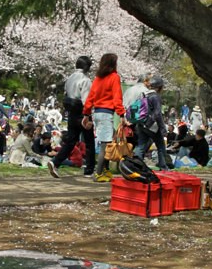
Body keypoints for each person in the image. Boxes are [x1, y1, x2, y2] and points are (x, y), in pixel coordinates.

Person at [47, 55, 96, 178]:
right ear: (87, 67)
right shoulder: (85, 80)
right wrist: (88, 116)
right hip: (82, 112)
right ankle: (89, 170)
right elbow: (86, 101)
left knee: (70, 141)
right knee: (89, 141)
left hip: (72, 112)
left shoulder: (70, 78)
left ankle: (56, 162)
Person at [82, 52, 127, 182]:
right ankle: (99, 172)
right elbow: (117, 97)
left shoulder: (97, 78)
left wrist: (86, 113)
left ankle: (105, 170)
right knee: (105, 144)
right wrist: (122, 114)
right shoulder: (114, 77)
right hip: (107, 113)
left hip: (97, 113)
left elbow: (90, 97)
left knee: (108, 139)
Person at [134, 76, 169, 170]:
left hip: (141, 123)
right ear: (159, 87)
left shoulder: (144, 94)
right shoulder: (155, 96)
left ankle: (136, 166)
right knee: (161, 145)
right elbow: (157, 113)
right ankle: (163, 166)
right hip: (152, 125)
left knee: (141, 146)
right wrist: (162, 128)